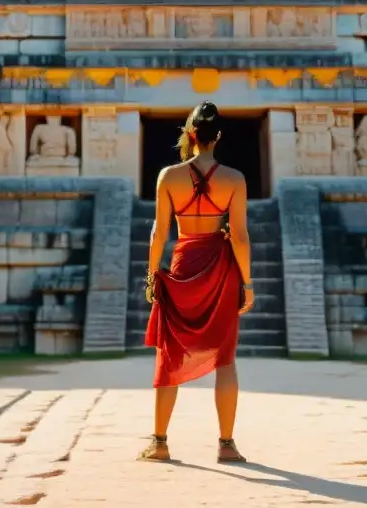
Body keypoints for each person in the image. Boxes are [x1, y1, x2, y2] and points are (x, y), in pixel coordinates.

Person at [140, 101, 254, 464]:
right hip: (221, 269)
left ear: (190, 135)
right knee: (225, 357)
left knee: (169, 354)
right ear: (218, 136)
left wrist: (151, 274)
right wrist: (248, 283)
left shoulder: (168, 176)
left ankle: (159, 441)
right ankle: (227, 444)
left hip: (183, 262)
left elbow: (159, 231)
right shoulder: (234, 179)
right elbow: (239, 236)